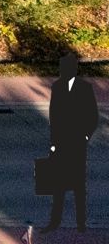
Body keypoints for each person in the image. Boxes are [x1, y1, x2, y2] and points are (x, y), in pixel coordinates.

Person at [46, 52, 98, 232]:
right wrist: (53, 142)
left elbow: (93, 116)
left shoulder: (85, 88)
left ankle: (81, 223)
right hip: (61, 142)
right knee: (58, 185)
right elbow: (54, 116)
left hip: (77, 143)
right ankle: (55, 222)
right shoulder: (57, 87)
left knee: (78, 186)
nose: (61, 71)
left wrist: (85, 136)